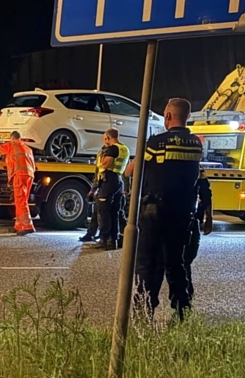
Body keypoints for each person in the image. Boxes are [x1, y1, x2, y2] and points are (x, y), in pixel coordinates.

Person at [134, 98, 203, 320]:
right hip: (182, 213)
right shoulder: (195, 143)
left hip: (155, 212)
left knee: (148, 263)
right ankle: (182, 309)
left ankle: (144, 310)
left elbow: (131, 171)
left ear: (168, 116)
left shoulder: (156, 143)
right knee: (176, 263)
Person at [0, 131, 36, 236]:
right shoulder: (28, 148)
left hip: (19, 174)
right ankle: (19, 226)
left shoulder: (11, 144)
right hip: (29, 175)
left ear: (12, 138)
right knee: (21, 200)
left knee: (20, 201)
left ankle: (28, 226)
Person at [91, 129, 130, 250]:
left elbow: (105, 164)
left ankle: (104, 240)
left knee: (104, 211)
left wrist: (103, 157)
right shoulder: (125, 149)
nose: (104, 141)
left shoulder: (112, 149)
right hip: (118, 181)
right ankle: (114, 240)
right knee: (115, 212)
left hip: (109, 181)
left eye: (105, 139)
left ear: (108, 138)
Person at [184, 170, 214, 301]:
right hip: (190, 221)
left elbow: (206, 196)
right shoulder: (196, 168)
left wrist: (209, 218)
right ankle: (184, 303)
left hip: (188, 221)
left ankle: (184, 302)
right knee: (183, 264)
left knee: (183, 263)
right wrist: (209, 219)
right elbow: (206, 196)